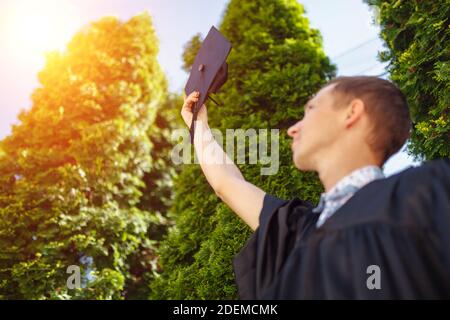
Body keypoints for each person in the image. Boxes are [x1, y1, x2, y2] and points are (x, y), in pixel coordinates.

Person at [180, 76, 450, 299]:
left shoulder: (425, 191)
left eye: (310, 109)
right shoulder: (298, 231)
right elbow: (226, 184)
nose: (292, 129)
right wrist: (198, 125)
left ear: (352, 112)